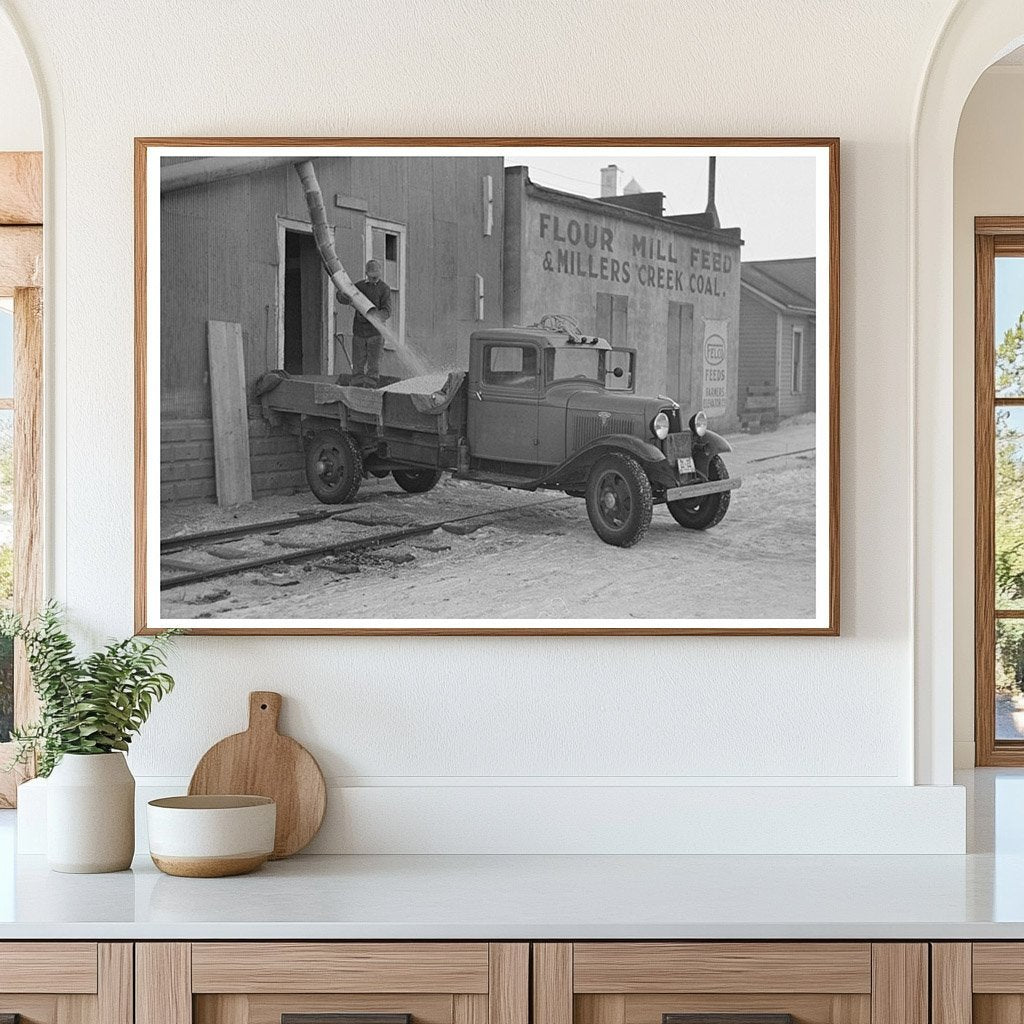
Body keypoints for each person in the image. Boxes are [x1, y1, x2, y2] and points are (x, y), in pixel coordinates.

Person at [338, 259, 392, 384]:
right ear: (366, 273)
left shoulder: (384, 289)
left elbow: (387, 311)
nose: (374, 280)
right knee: (357, 365)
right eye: (372, 277)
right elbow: (342, 297)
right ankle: (357, 387)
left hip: (376, 334)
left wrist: (373, 316)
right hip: (359, 333)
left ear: (380, 273)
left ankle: (370, 388)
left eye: (376, 277)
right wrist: (342, 296)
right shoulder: (359, 286)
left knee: (373, 367)